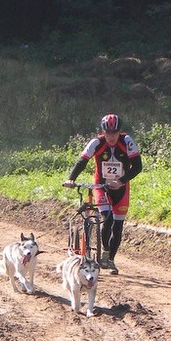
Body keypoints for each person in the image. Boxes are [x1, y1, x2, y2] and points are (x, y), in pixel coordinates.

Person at [63, 113, 142, 274]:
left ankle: (110, 259)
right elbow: (82, 162)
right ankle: (105, 249)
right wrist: (71, 178)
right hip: (101, 185)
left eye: (114, 133)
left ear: (120, 131)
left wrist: (121, 181)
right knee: (107, 219)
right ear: (103, 131)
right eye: (108, 133)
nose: (111, 137)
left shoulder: (127, 141)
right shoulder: (96, 143)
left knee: (118, 226)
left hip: (121, 187)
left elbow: (137, 166)